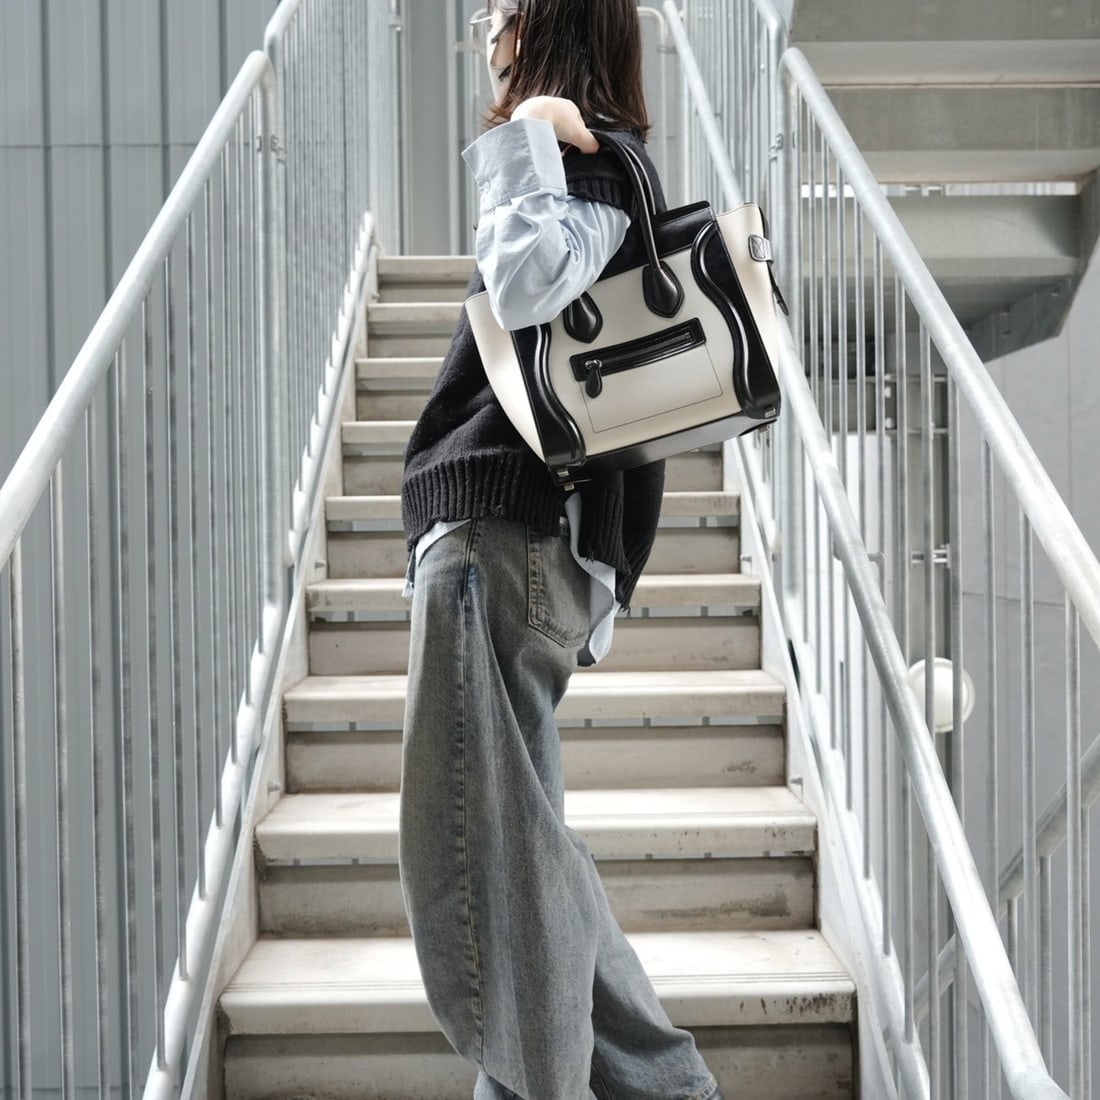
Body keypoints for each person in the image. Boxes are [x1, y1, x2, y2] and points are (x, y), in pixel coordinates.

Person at [399, 2, 725, 1097]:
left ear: (548, 26)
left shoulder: (579, 155)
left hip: (504, 539)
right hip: (525, 548)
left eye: (499, 8)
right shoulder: (599, 159)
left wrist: (523, 139)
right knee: (529, 864)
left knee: (488, 872)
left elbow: (530, 273)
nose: (482, 25)